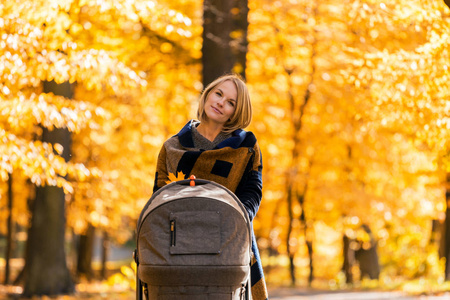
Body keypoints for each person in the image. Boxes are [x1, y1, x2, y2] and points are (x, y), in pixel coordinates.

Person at [153, 73, 269, 300]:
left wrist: (237, 218)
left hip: (228, 240)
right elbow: (159, 195)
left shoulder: (246, 147)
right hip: (179, 243)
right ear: (208, 94)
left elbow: (252, 191)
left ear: (237, 112)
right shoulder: (173, 146)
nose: (221, 103)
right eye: (219, 94)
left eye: (231, 103)